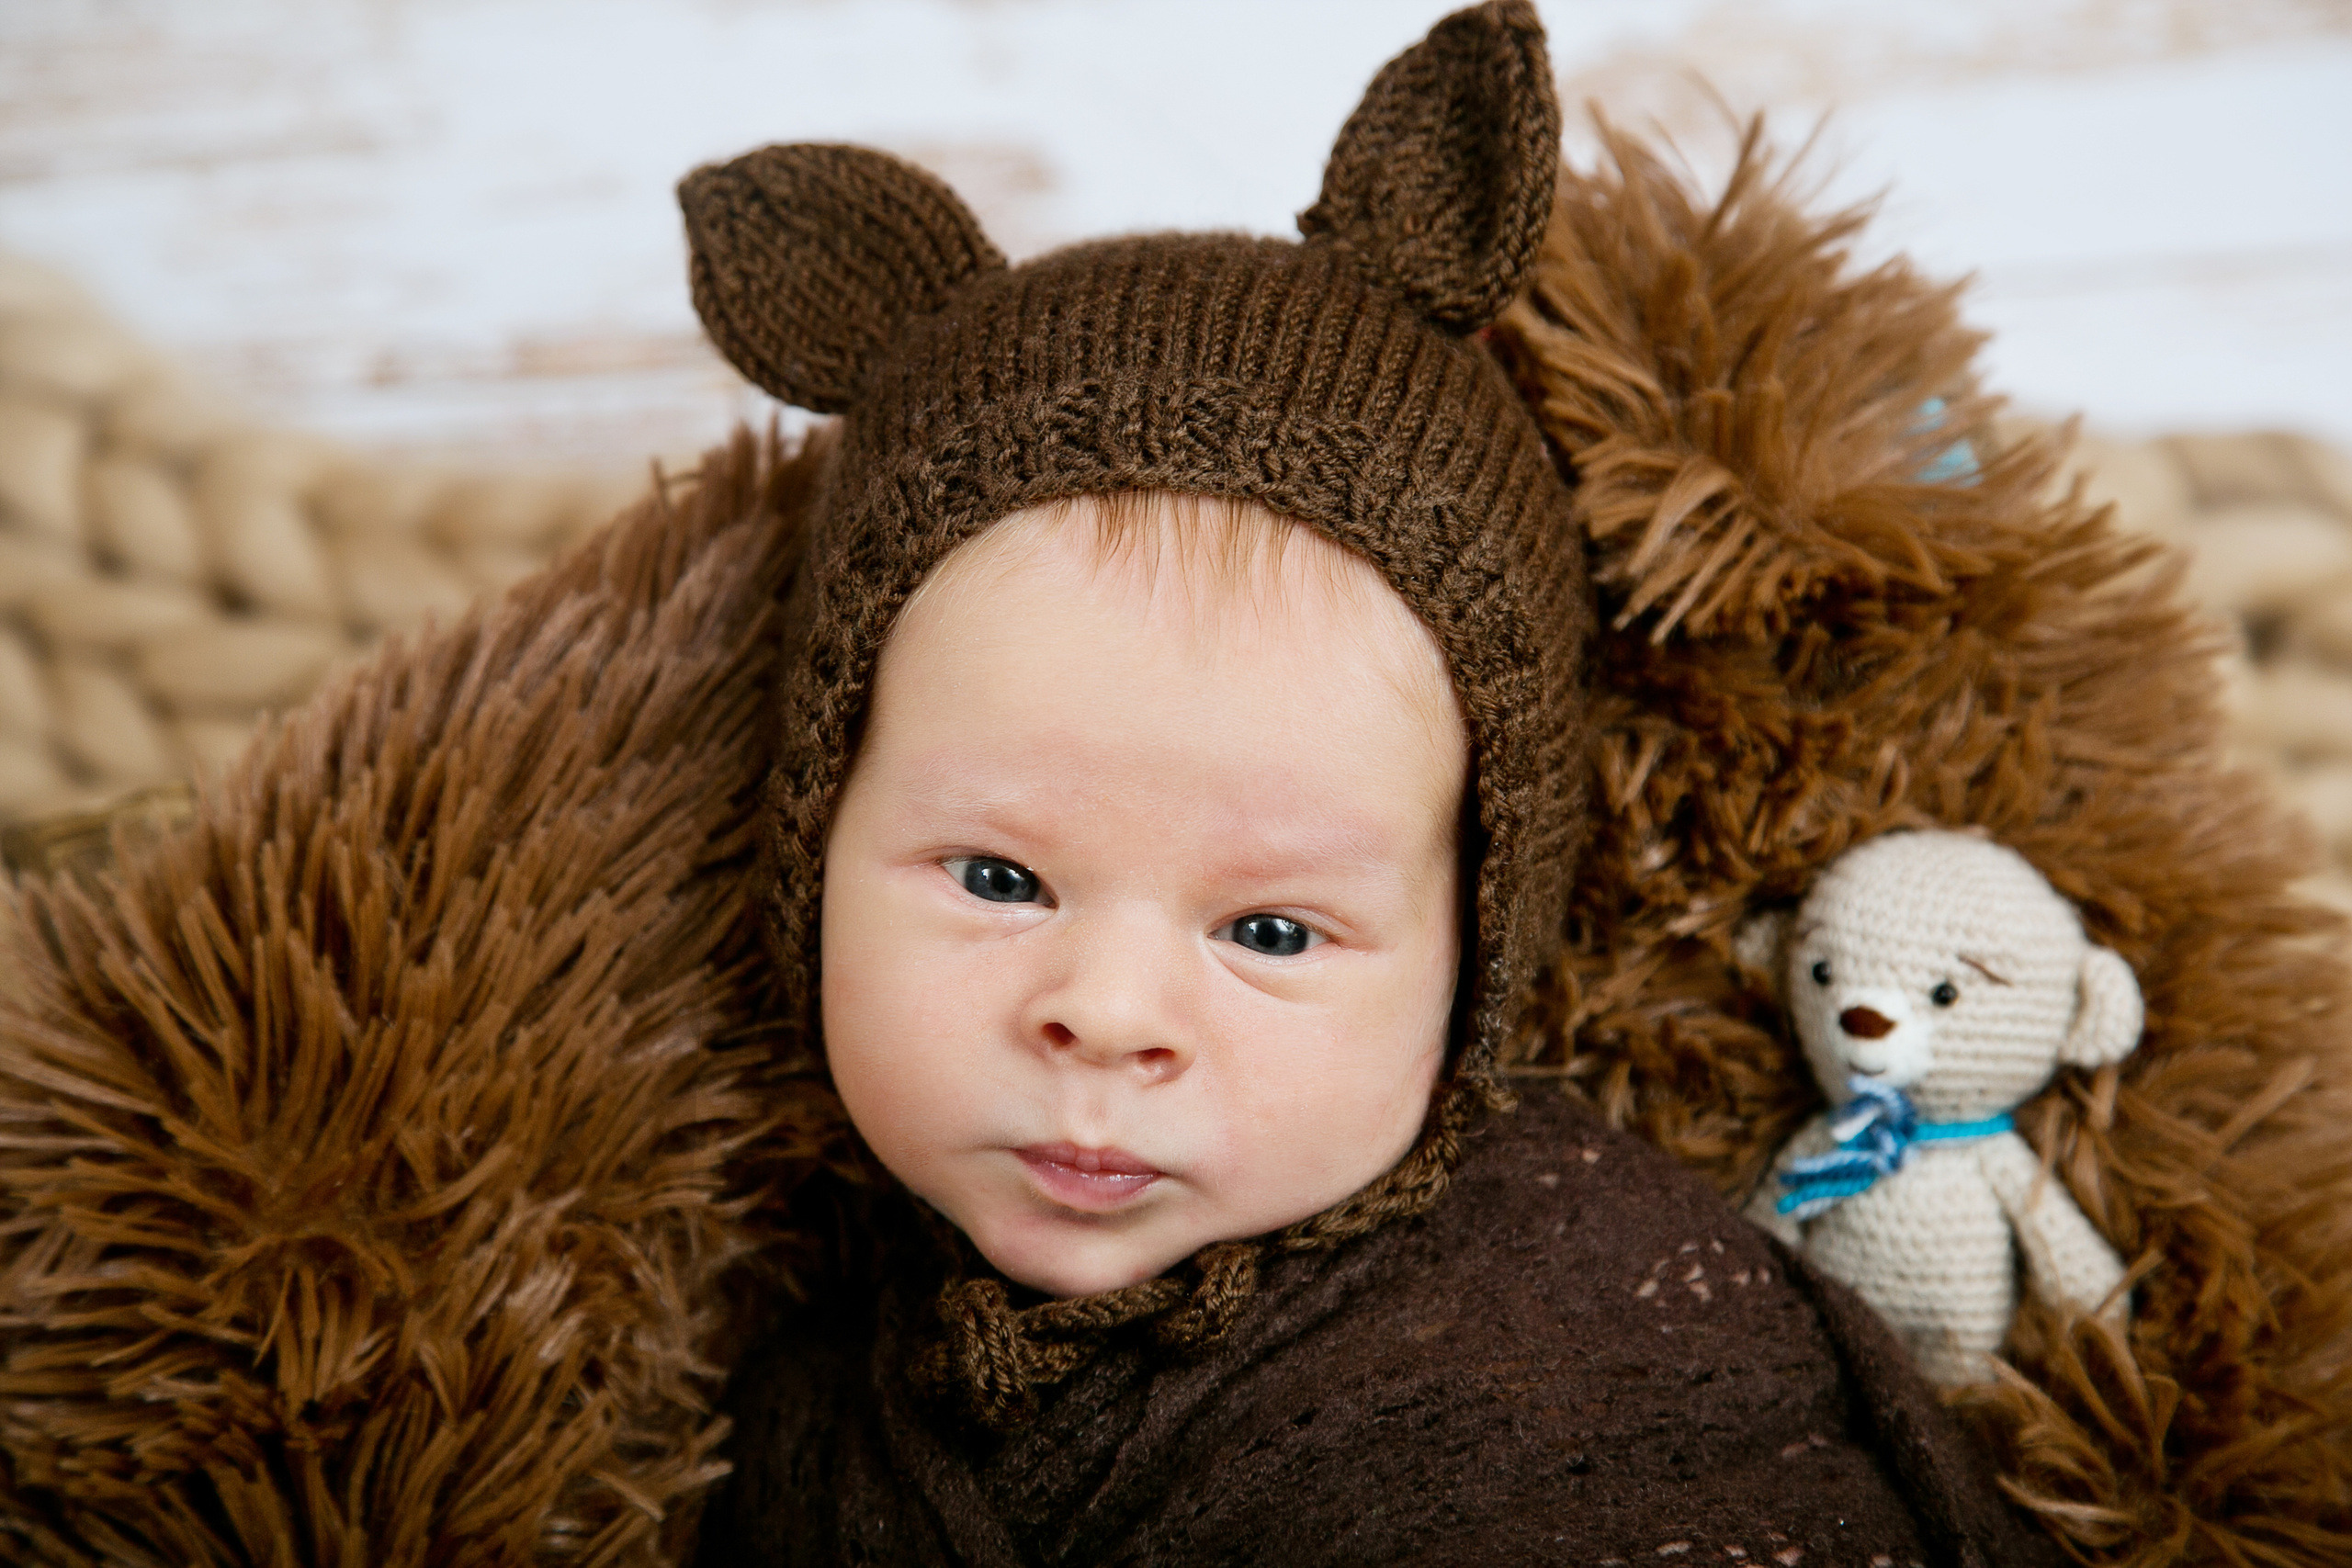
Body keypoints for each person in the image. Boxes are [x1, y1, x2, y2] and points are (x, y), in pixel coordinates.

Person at [679, 5, 2060, 1562]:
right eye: (998, 878)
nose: (1109, 1014)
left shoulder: (1593, 1341)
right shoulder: (780, 1364)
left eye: (1271, 931)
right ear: (809, 844)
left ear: (1477, 950)